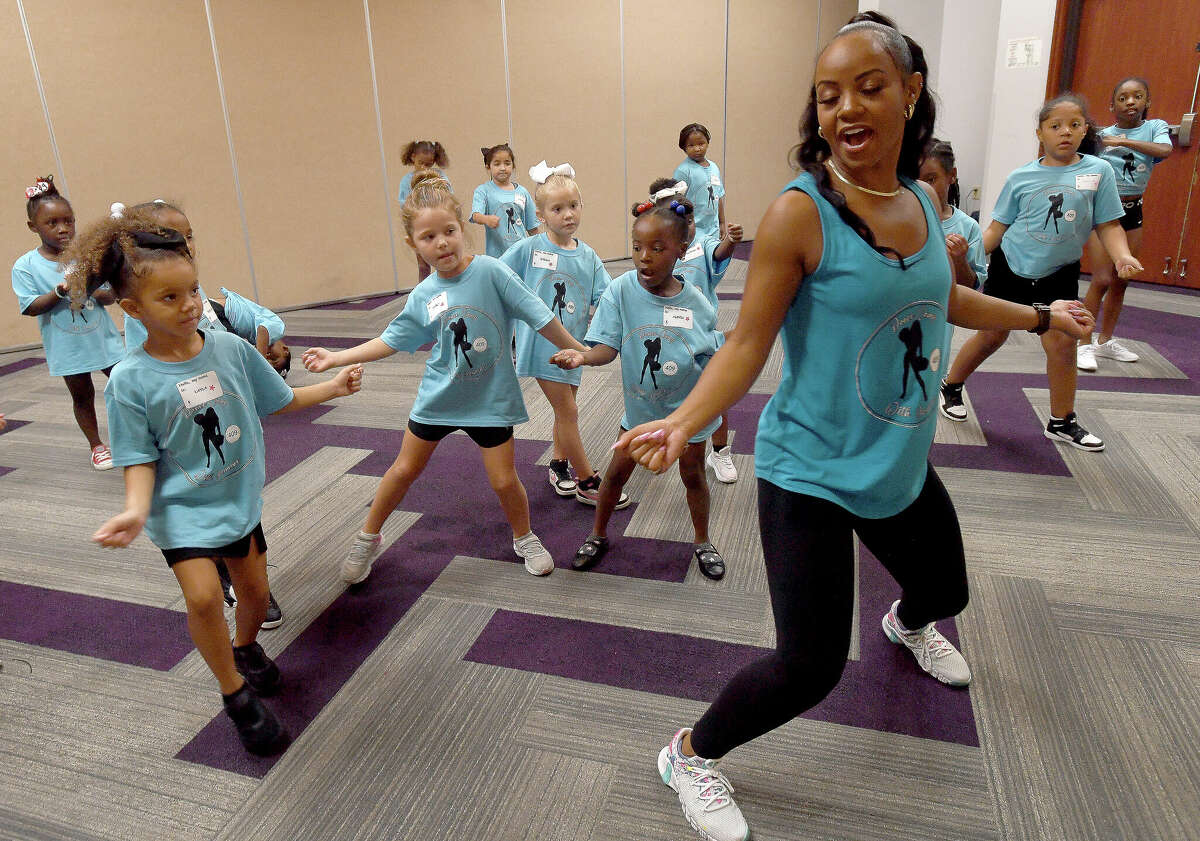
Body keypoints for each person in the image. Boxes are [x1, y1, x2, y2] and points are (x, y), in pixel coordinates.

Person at [613, 20, 1096, 841]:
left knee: (947, 593)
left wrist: (1040, 312)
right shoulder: (801, 215)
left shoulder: (921, 197)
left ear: (910, 92)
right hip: (810, 472)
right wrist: (686, 419)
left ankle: (904, 624)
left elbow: (944, 297)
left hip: (898, 462)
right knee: (810, 666)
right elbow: (746, 344)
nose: (846, 109)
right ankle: (689, 752)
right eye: (829, 95)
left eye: (869, 86)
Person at [68, 207, 363, 756]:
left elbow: (282, 400)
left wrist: (337, 390)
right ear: (133, 308)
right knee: (204, 598)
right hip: (177, 511)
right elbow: (135, 457)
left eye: (192, 290)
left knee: (253, 594)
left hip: (237, 500)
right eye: (169, 298)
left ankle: (245, 647)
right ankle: (234, 694)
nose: (189, 306)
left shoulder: (228, 347)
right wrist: (135, 511)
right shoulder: (130, 380)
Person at [302, 171, 587, 582]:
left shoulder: (491, 272)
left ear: (461, 228)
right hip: (440, 397)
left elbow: (538, 314)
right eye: (428, 237)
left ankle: (523, 536)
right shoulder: (423, 295)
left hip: (490, 399)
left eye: (449, 231)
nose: (442, 244)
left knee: (505, 480)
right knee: (402, 471)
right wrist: (335, 357)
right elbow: (391, 340)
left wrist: (578, 349)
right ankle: (368, 536)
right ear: (413, 244)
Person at [939, 93, 1141, 450]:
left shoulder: (1098, 171)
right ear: (1040, 133)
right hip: (1012, 267)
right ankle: (951, 386)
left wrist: (1122, 256)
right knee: (991, 336)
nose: (1065, 132)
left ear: (1084, 131)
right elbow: (996, 230)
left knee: (1062, 343)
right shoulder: (1021, 177)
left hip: (1058, 272)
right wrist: (961, 259)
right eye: (1055, 125)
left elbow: (1109, 225)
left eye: (1074, 125)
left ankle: (1061, 421)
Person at [119, 199, 287, 627]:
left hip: (223, 415)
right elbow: (150, 381)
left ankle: (245, 588)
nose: (183, 245)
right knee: (199, 501)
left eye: (187, 235)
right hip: (183, 430)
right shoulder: (149, 314)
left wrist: (255, 356)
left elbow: (239, 332)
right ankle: (220, 574)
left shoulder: (196, 295)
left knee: (233, 492)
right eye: (166, 238)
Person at [550, 196, 725, 578]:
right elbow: (606, 349)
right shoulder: (622, 290)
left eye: (657, 248)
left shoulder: (696, 304)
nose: (644, 257)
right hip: (640, 412)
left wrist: (709, 408)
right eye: (637, 247)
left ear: (681, 250)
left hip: (688, 414)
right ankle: (597, 533)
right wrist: (583, 356)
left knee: (693, 475)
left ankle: (702, 540)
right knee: (615, 474)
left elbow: (715, 362)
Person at [499, 161, 627, 507]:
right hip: (542, 347)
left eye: (573, 206)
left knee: (565, 410)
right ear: (540, 215)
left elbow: (608, 295)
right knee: (569, 412)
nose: (567, 214)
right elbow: (497, 274)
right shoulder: (529, 249)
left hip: (575, 347)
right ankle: (587, 479)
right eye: (557, 209)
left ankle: (558, 465)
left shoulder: (588, 256)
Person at [12, 176, 124, 470]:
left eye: (69, 221)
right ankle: (97, 446)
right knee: (82, 395)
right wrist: (59, 291)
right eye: (52, 223)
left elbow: (100, 296)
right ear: (33, 227)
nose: (63, 228)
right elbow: (30, 307)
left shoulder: (85, 256)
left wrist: (110, 290)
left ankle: (137, 435)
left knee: (127, 384)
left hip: (102, 338)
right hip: (67, 345)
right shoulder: (26, 266)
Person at [649, 178, 745, 483]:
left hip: (702, 333)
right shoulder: (659, 249)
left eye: (690, 220)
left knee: (713, 391)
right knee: (663, 388)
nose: (687, 226)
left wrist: (731, 240)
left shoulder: (702, 241)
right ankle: (661, 439)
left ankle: (719, 452)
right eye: (678, 221)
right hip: (667, 335)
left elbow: (719, 254)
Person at [1076, 77, 1172, 372]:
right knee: (1102, 279)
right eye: (1123, 98)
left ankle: (1106, 342)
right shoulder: (1101, 135)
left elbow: (1164, 151)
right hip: (1104, 211)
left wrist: (1124, 142)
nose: (1130, 102)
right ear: (1112, 105)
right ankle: (1084, 344)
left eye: (1137, 96)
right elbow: (1081, 165)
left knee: (1122, 278)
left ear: (1147, 102)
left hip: (1134, 209)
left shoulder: (1155, 128)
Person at [918, 138, 987, 379]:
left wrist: (958, 259)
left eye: (930, 179)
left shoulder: (967, 227)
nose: (921, 187)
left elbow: (970, 287)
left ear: (951, 176)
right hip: (900, 319)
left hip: (939, 324)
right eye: (912, 179)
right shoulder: (901, 220)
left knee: (929, 377)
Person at [469, 143, 539, 257]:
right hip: (497, 257)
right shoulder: (483, 191)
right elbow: (475, 215)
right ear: (488, 166)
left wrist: (539, 250)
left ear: (513, 165)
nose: (502, 168)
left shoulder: (522, 192)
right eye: (497, 164)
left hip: (522, 254)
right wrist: (486, 219)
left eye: (507, 163)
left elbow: (532, 227)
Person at [398, 140, 451, 281]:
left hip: (437, 223)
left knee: (443, 260)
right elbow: (404, 204)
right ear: (413, 157)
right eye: (421, 163)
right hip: (419, 226)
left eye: (428, 165)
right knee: (423, 265)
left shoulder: (438, 176)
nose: (424, 167)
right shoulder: (406, 181)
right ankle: (422, 293)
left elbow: (448, 195)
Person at [673, 124, 726, 241]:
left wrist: (722, 222)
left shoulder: (714, 168)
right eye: (691, 145)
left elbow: (719, 196)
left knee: (714, 257)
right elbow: (675, 202)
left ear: (707, 143)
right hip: (692, 230)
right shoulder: (683, 171)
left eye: (701, 144)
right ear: (684, 147)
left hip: (714, 229)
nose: (697, 148)